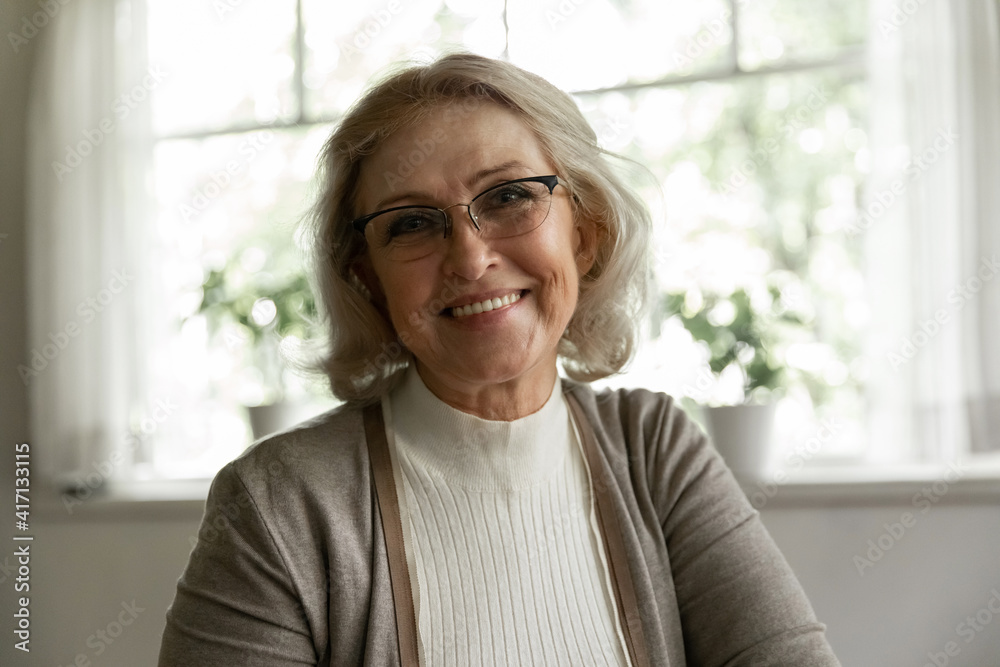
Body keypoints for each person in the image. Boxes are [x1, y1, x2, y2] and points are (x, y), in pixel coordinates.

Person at [159, 53, 840, 666]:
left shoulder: (655, 449)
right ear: (367, 277)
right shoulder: (278, 503)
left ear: (584, 234)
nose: (470, 256)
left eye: (510, 195)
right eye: (412, 222)